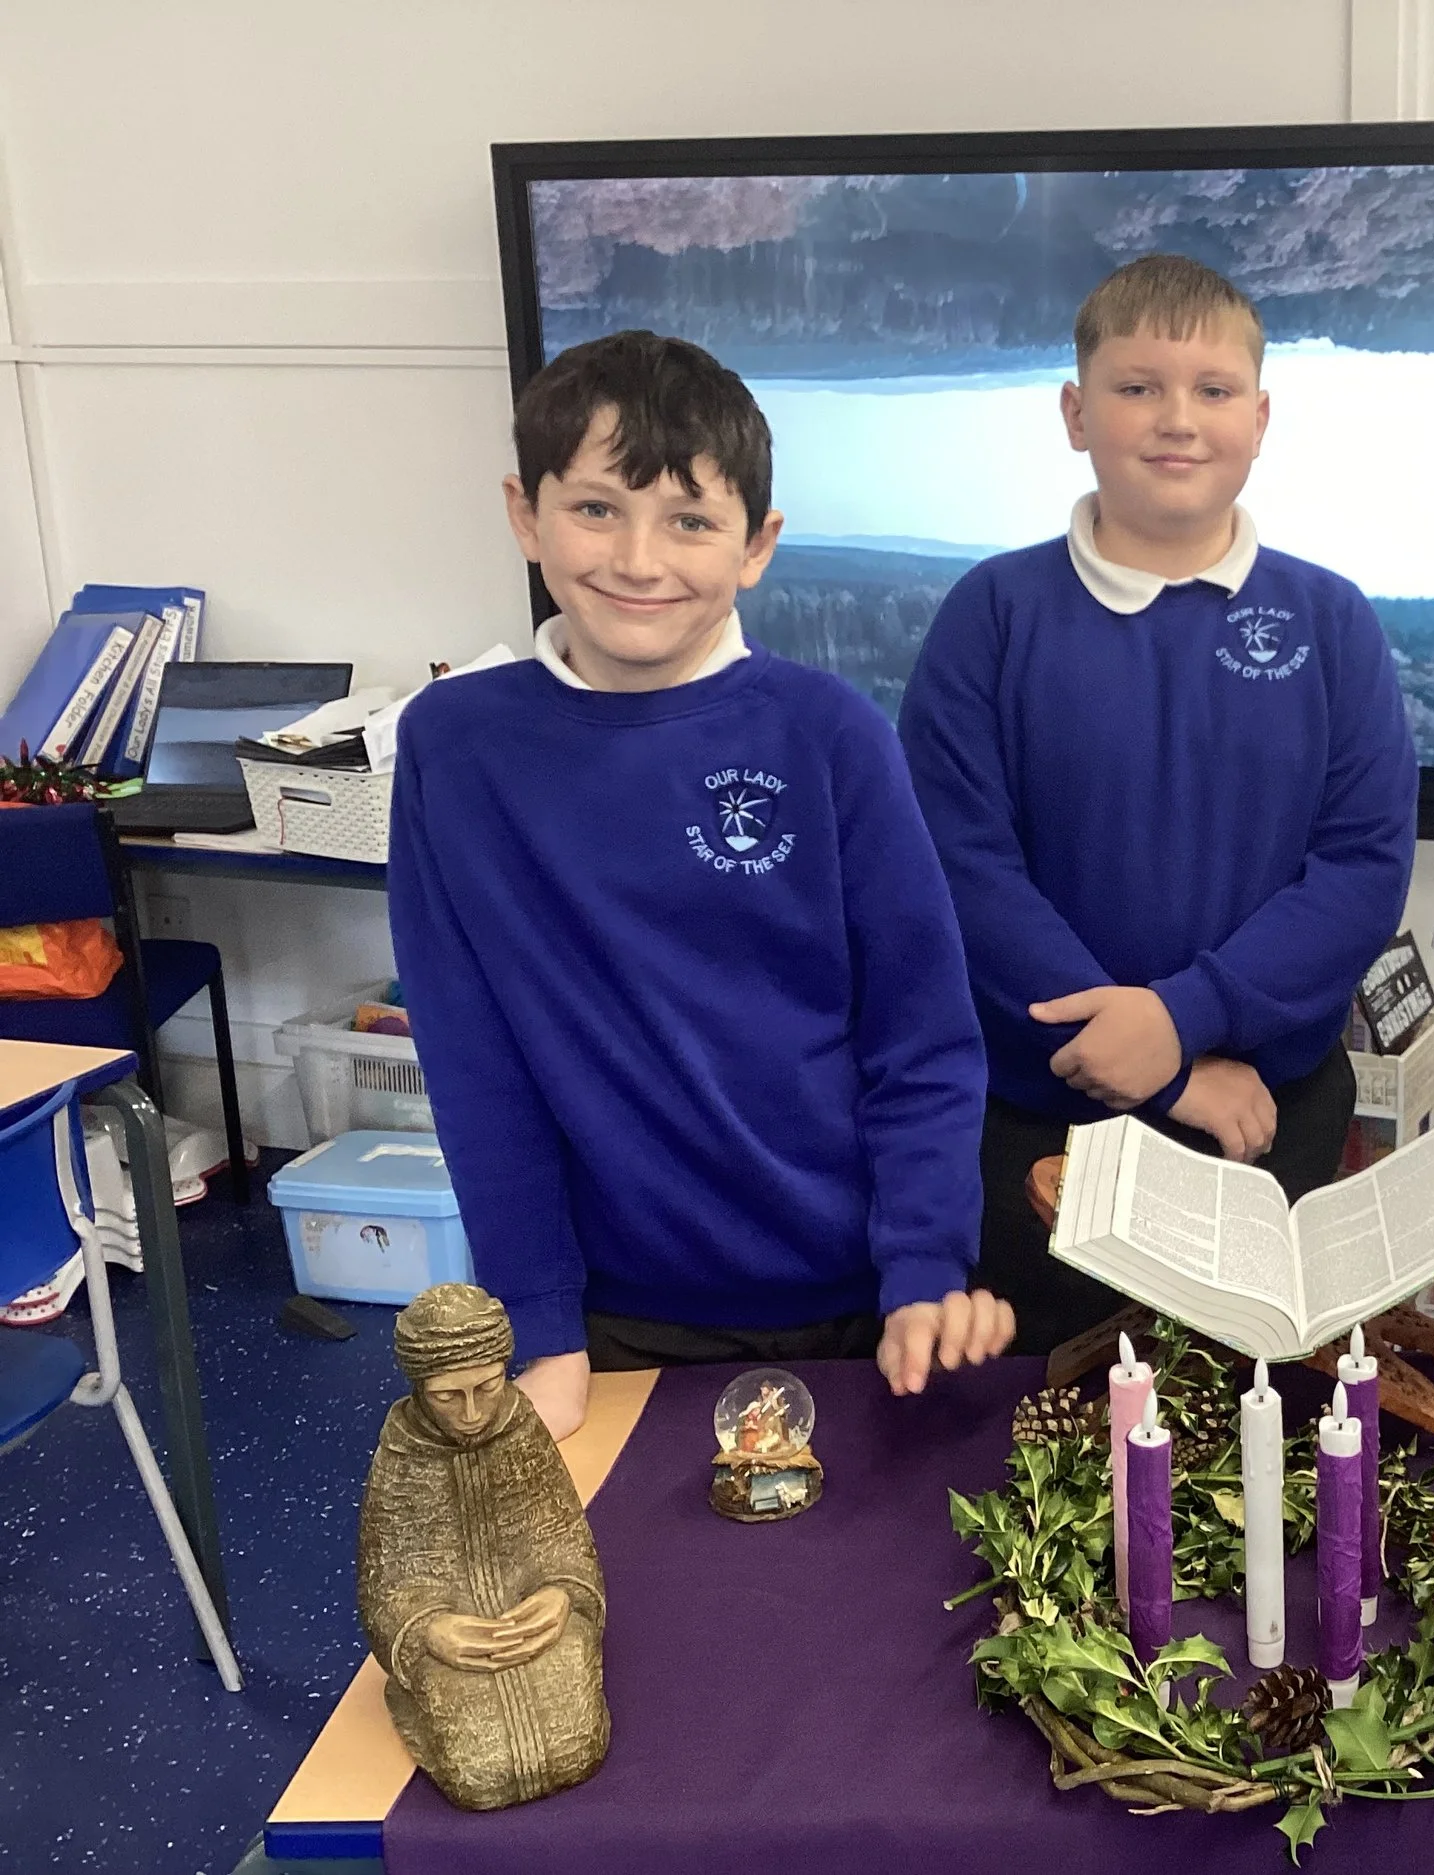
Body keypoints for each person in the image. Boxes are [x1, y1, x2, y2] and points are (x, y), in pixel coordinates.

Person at [389, 329, 1012, 1440]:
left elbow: (920, 1039)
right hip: (606, 1320)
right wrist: (541, 1325)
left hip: (858, 1303)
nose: (639, 560)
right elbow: (474, 1062)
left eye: (689, 520)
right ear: (525, 514)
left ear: (757, 544)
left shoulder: (831, 734)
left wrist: (924, 1266)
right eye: (595, 509)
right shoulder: (454, 747)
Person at [899, 254, 1418, 1354]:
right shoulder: (991, 616)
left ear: (1260, 418)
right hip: (1042, 1130)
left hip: (1262, 1121)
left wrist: (1186, 1017)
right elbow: (959, 870)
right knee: (1047, 1420)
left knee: (1264, 1418)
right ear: (1075, 412)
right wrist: (1163, 1068)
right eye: (1137, 387)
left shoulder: (1331, 621)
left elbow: (1362, 868)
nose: (1177, 419)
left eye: (1213, 390)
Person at [357, 1284, 608, 1811]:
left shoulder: (522, 1428)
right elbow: (387, 1579)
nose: (472, 1412)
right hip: (449, 1641)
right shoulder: (402, 1452)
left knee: (577, 1746)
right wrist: (428, 1629)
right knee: (481, 1773)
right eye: (447, 1396)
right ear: (419, 1387)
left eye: (488, 1387)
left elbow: (562, 1535)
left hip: (533, 1619)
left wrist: (561, 1593)